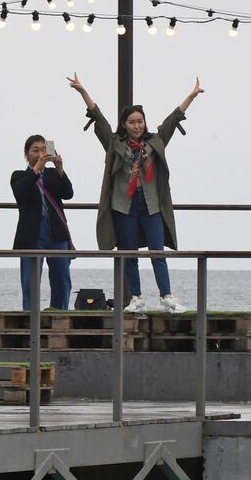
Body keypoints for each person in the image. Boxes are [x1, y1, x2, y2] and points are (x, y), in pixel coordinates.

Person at [66, 72, 203, 313]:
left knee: (157, 251)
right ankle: (136, 297)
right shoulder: (115, 144)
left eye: (140, 121)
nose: (136, 126)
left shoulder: (155, 142)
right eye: (131, 122)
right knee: (129, 253)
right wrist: (82, 92)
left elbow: (172, 120)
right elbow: (99, 119)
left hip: (151, 205)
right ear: (124, 125)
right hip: (123, 205)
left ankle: (166, 296)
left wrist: (191, 96)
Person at [10, 134, 75, 311]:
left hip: (56, 232)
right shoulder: (19, 176)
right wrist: (36, 168)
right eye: (35, 150)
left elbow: (68, 193)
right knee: (30, 282)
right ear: (26, 153)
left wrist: (60, 169)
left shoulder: (53, 174)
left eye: (42, 150)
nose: (39, 154)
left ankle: (59, 315)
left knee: (62, 280)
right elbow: (21, 192)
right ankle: (30, 320)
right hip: (32, 234)